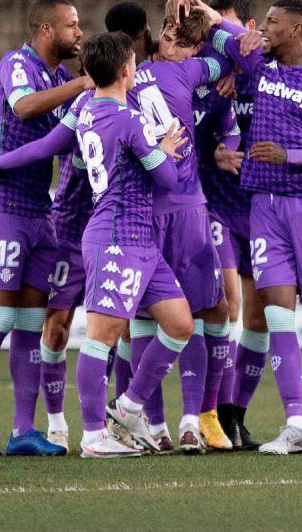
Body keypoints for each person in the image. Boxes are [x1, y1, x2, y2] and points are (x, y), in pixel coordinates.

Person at [175, 0, 302, 454]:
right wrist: (193, 5)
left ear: (298, 30)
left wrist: (288, 156)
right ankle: (295, 423)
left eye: (273, 23)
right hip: (265, 208)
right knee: (276, 316)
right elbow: (222, 32)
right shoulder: (259, 65)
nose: (264, 30)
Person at [0, 0, 91, 457]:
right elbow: (25, 107)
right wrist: (82, 85)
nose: (79, 32)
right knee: (0, 318)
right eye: (71, 25)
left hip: (38, 212)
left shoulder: (63, 79)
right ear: (47, 30)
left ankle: (23, 430)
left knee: (30, 323)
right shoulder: (17, 63)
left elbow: (62, 141)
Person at [70, 31, 195, 458]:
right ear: (127, 70)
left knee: (179, 323)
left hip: (139, 237)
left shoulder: (88, 110)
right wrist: (164, 149)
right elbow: (168, 178)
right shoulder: (129, 118)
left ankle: (128, 407)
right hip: (117, 235)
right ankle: (92, 436)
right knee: (100, 336)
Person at [122, 4, 236, 454]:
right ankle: (162, 423)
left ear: (192, 49)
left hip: (172, 211)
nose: (171, 45)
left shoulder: (141, 76)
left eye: (180, 41)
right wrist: (213, 23)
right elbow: (235, 56)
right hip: (167, 209)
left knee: (188, 313)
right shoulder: (186, 71)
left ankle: (184, 423)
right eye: (168, 36)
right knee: (161, 316)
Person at [192, 0, 266, 450]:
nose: (219, 40)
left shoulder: (267, 74)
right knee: (227, 307)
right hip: (216, 205)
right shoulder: (203, 77)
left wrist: (239, 68)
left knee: (260, 317)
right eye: (212, 32)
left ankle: (235, 413)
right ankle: (209, 412)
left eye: (226, 30)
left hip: (262, 209)